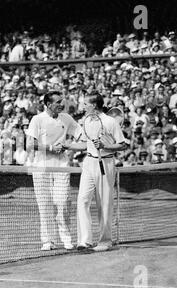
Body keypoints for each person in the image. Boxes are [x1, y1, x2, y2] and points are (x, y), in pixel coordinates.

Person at [72, 91, 127, 252]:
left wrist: (105, 146)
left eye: (85, 104)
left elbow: (122, 145)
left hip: (106, 163)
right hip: (89, 163)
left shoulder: (110, 122)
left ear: (94, 105)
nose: (83, 107)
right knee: (82, 200)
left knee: (104, 204)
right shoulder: (86, 121)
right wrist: (66, 146)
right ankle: (85, 241)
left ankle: (105, 241)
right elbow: (85, 143)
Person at [26, 91, 81, 251]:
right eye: (57, 102)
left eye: (61, 101)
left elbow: (80, 135)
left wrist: (68, 146)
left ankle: (66, 239)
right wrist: (50, 147)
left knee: (62, 202)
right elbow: (31, 144)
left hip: (61, 165)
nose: (61, 105)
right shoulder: (37, 119)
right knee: (44, 205)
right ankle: (48, 241)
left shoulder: (67, 118)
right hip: (41, 166)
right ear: (48, 104)